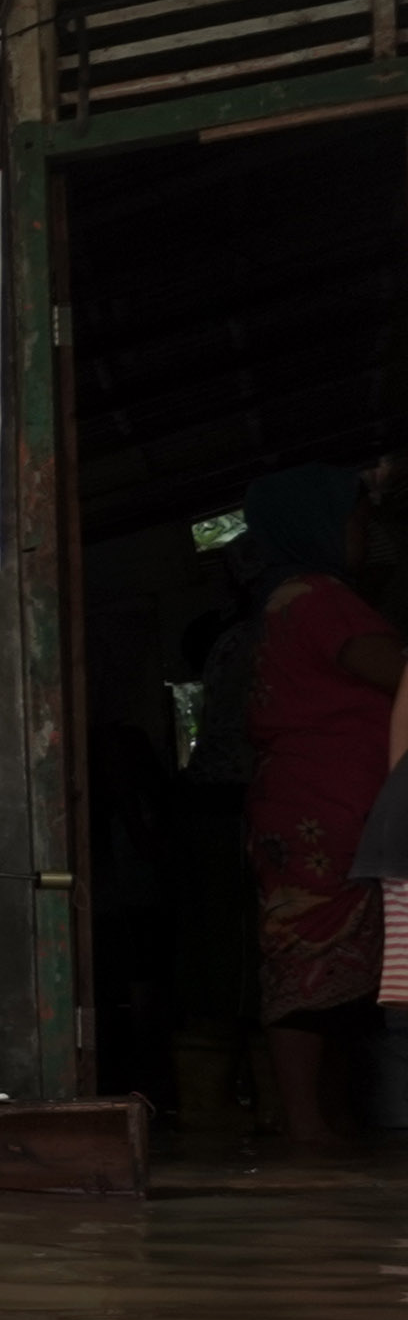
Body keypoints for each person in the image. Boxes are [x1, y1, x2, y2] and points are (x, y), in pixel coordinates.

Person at [241, 464, 402, 1145]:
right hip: (329, 802)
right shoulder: (317, 597)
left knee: (320, 952)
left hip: (314, 797)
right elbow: (395, 670)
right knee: (310, 949)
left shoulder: (285, 597)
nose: (364, 534)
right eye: (354, 521)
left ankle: (320, 1120)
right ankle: (308, 1124)